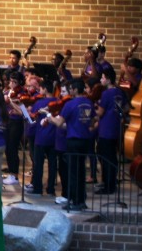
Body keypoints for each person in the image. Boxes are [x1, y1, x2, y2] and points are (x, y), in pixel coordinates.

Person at [48, 79, 95, 211]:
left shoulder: (70, 104)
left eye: (70, 89)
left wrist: (49, 117)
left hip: (73, 140)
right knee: (81, 171)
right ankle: (81, 200)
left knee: (73, 172)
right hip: (85, 140)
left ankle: (74, 201)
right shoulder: (89, 102)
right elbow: (92, 121)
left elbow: (59, 123)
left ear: (74, 90)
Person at [95, 68, 125, 195]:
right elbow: (126, 107)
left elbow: (100, 113)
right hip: (115, 127)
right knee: (111, 156)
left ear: (108, 79)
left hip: (106, 129)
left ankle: (108, 185)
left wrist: (93, 108)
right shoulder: (120, 92)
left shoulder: (106, 94)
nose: (101, 80)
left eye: (102, 77)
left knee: (105, 157)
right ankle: (110, 182)